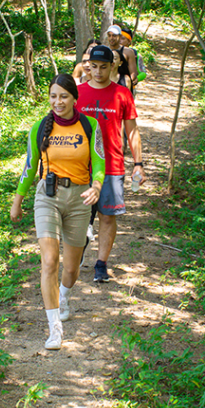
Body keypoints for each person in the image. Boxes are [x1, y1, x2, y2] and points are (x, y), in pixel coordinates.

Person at [10, 74, 105, 350]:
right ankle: (54, 329)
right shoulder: (40, 127)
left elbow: (99, 162)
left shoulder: (90, 125)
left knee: (71, 269)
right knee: (50, 261)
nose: (58, 101)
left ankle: (63, 295)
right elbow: (30, 167)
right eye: (53, 96)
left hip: (80, 198)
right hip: (48, 196)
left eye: (63, 96)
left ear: (75, 98)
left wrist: (97, 185)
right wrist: (18, 200)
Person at [75, 45, 145, 283]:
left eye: (103, 67)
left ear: (113, 66)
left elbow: (132, 131)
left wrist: (139, 163)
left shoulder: (122, 94)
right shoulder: (76, 93)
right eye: (93, 66)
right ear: (88, 66)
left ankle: (101, 264)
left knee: (107, 216)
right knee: (79, 217)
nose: (97, 71)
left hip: (111, 164)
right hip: (79, 165)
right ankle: (79, 248)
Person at [105, 24, 139, 92]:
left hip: (123, 85)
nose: (111, 38)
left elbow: (133, 73)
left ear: (120, 36)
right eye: (109, 35)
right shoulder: (104, 51)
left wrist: (127, 83)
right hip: (106, 85)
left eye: (114, 35)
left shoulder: (128, 52)